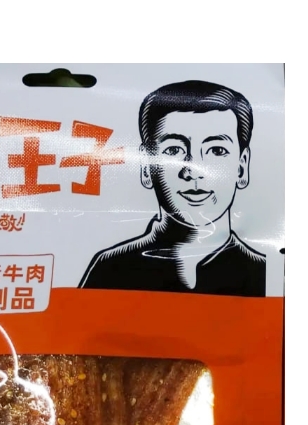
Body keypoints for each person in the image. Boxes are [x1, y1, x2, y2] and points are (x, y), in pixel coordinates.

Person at [79, 80, 265, 296]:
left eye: (217, 150)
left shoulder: (265, 273)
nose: (194, 170)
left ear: (242, 166)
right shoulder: (110, 270)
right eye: (174, 150)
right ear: (146, 166)